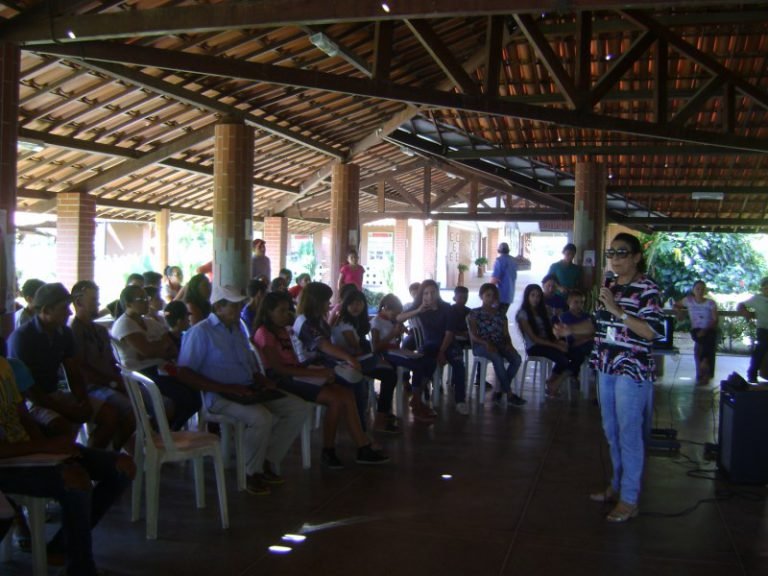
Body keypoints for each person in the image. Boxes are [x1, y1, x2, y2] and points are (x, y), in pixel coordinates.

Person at [555, 232, 663, 523]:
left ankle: (629, 498)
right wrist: (570, 331)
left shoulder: (647, 289)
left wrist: (617, 310)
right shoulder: (610, 286)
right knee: (611, 429)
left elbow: (653, 332)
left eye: (622, 252)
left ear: (637, 257)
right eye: (611, 253)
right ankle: (616, 486)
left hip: (632, 370)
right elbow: (597, 325)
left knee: (629, 432)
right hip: (606, 366)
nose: (614, 258)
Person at [0, 355, 134, 576]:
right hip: (8, 463)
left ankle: (60, 546)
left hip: (28, 451)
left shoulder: (4, 365)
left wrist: (45, 448)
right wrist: (43, 448)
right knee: (75, 480)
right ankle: (80, 568)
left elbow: (22, 414)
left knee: (123, 466)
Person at [177, 285, 311, 495]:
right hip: (218, 396)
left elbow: (248, 363)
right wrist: (224, 387)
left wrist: (260, 379)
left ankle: (267, 459)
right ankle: (251, 472)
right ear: (219, 307)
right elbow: (184, 372)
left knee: (299, 408)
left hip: (247, 389)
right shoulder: (200, 332)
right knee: (261, 418)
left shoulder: (238, 328)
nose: (239, 309)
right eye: (234, 305)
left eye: (240, 305)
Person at [253, 291, 388, 468]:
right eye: (282, 311)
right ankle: (330, 449)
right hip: (283, 380)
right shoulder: (265, 334)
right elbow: (279, 369)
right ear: (268, 312)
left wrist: (317, 371)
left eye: (287, 310)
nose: (287, 315)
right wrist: (317, 373)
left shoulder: (284, 330)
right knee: (337, 398)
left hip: (297, 374)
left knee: (346, 393)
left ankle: (361, 446)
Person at [8, 283, 121, 450]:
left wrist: (82, 400)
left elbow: (73, 370)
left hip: (56, 394)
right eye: (63, 308)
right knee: (64, 428)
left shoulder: (64, 332)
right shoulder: (23, 337)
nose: (69, 312)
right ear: (46, 310)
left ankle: (89, 460)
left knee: (110, 416)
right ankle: (71, 463)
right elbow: (29, 390)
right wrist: (67, 410)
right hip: (30, 402)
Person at [111, 284, 200, 430]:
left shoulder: (150, 322)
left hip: (159, 369)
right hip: (140, 375)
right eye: (141, 299)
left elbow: (170, 346)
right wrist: (157, 348)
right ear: (128, 304)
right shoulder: (124, 324)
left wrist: (154, 349)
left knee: (195, 394)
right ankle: (160, 435)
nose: (146, 302)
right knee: (182, 397)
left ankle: (169, 432)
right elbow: (146, 351)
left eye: (147, 298)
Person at [293, 283, 370, 431]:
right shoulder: (305, 322)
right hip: (313, 366)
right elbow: (323, 345)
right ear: (317, 301)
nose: (329, 303)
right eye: (326, 300)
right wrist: (349, 358)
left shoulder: (317, 319)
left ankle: (359, 427)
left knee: (360, 371)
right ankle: (360, 428)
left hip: (326, 361)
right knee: (357, 380)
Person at [70, 280, 135, 450]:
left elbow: (112, 361)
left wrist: (119, 380)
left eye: (97, 300)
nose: (97, 305)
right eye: (93, 301)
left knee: (144, 400)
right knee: (131, 409)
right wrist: (112, 383)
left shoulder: (99, 330)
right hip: (91, 387)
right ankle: (102, 453)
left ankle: (117, 448)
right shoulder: (73, 332)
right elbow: (81, 368)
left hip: (109, 382)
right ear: (78, 303)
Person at [331, 290, 399, 433]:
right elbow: (355, 349)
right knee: (390, 375)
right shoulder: (345, 323)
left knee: (389, 371)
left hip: (353, 360)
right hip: (349, 363)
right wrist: (373, 357)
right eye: (352, 303)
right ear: (345, 305)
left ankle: (383, 414)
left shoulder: (347, 320)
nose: (356, 307)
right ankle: (380, 420)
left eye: (360, 303)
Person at [396, 280, 446, 421]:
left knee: (428, 361)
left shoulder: (444, 308)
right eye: (425, 293)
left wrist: (442, 350)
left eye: (432, 293)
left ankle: (417, 398)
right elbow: (398, 318)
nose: (429, 296)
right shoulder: (415, 306)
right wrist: (418, 310)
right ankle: (412, 391)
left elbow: (448, 332)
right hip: (420, 339)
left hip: (438, 343)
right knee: (418, 356)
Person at [468, 283, 525, 407]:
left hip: (499, 343)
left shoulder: (500, 314)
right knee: (497, 358)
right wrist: (485, 343)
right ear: (481, 296)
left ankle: (499, 389)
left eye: (493, 296)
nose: (490, 298)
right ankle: (509, 394)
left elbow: (505, 333)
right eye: (487, 295)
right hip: (481, 345)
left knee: (516, 359)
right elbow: (473, 335)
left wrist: (509, 345)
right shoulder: (475, 313)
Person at [516, 284, 575, 398]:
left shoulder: (542, 311)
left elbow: (549, 333)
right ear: (527, 296)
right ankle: (552, 383)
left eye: (538, 296)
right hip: (534, 347)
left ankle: (551, 381)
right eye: (532, 295)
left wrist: (558, 342)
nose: (535, 299)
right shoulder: (523, 314)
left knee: (572, 354)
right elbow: (534, 338)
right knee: (563, 360)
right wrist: (556, 346)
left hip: (546, 344)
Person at [675, 281, 718, 385]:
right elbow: (676, 304)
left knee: (702, 345)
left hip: (709, 329)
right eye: (697, 289)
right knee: (703, 342)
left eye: (702, 289)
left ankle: (702, 369)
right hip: (696, 329)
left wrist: (706, 329)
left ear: (705, 290)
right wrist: (679, 312)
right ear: (693, 290)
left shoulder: (711, 303)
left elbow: (715, 319)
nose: (700, 291)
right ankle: (705, 365)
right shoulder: (688, 300)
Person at [439, 286, 472, 414]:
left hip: (460, 339)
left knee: (460, 364)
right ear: (455, 297)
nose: (463, 300)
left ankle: (460, 399)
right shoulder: (450, 310)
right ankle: (439, 383)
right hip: (451, 340)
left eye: (465, 297)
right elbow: (449, 329)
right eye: (460, 297)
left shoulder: (469, 311)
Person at [555, 289, 594, 376]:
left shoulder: (587, 316)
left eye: (582, 302)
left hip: (586, 344)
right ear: (569, 302)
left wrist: (587, 337)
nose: (579, 305)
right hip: (570, 345)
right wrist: (587, 336)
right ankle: (564, 378)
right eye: (576, 302)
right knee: (578, 354)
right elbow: (573, 336)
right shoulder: (565, 316)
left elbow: (593, 332)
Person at [737, 277, 768, 383]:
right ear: (762, 288)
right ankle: (752, 374)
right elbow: (740, 305)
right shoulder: (757, 299)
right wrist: (746, 312)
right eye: (766, 288)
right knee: (761, 348)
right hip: (763, 329)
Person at [490, 242, 518, 315]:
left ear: (499, 250)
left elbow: (495, 279)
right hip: (509, 295)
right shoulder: (513, 260)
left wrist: (488, 291)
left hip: (500, 295)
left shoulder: (499, 260)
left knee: (495, 316)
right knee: (502, 315)